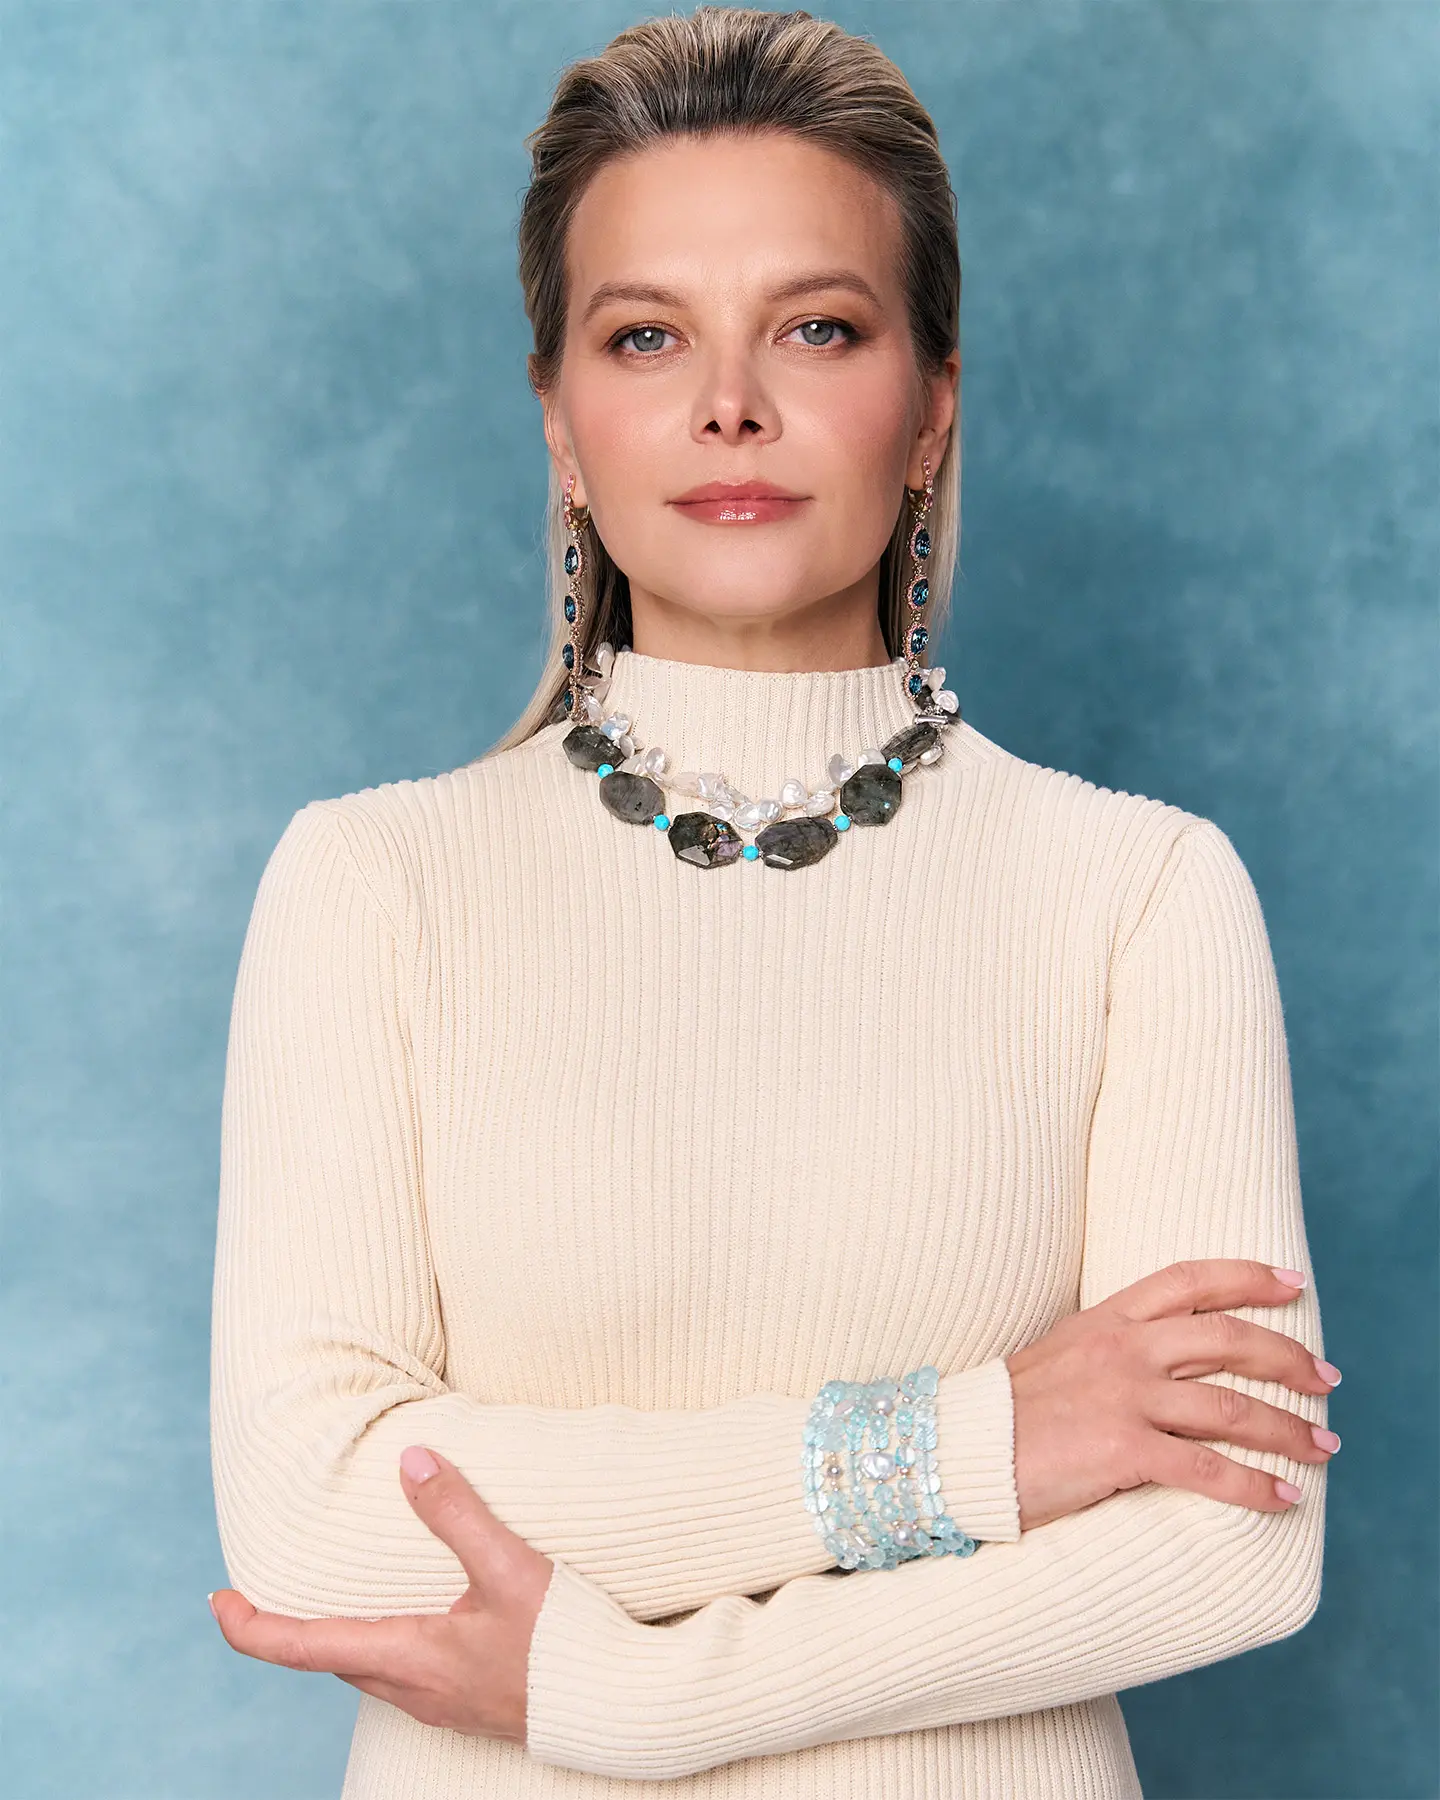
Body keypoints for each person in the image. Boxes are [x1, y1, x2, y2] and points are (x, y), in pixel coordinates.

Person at [206, 8, 1334, 1796]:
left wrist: (648, 1699)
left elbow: (1231, 1541)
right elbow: (319, 1517)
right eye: (645, 335)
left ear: (932, 403)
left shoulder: (1139, 891)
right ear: (560, 417)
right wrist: (973, 1444)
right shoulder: (375, 885)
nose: (729, 403)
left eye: (817, 327)